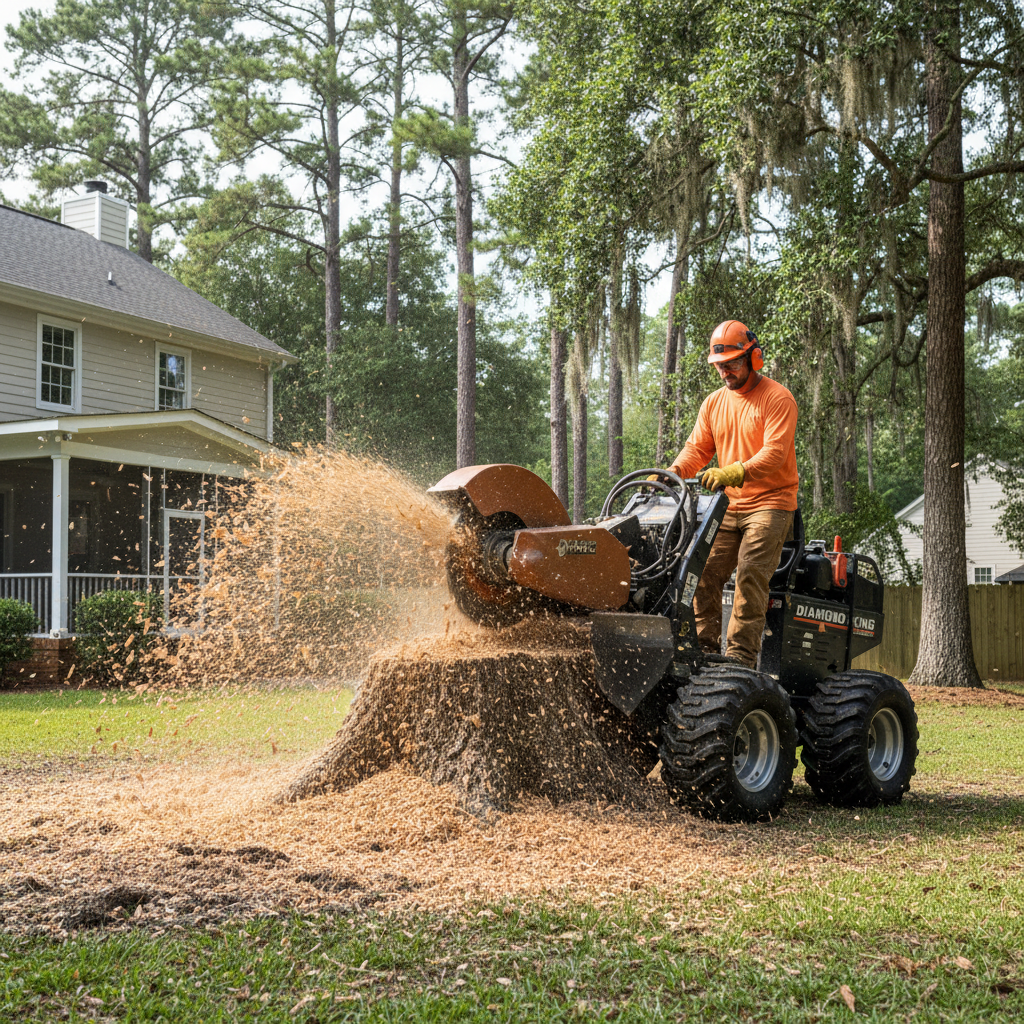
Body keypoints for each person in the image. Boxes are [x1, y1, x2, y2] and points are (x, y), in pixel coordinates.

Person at [664, 320, 798, 667]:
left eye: (732, 364)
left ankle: (739, 660)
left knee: (750, 572)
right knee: (702, 571)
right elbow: (696, 449)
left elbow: (775, 454)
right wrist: (673, 472)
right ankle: (705, 654)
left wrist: (734, 470)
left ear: (754, 358)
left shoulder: (777, 398)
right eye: (720, 366)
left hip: (771, 503)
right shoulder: (713, 403)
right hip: (729, 506)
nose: (725, 372)